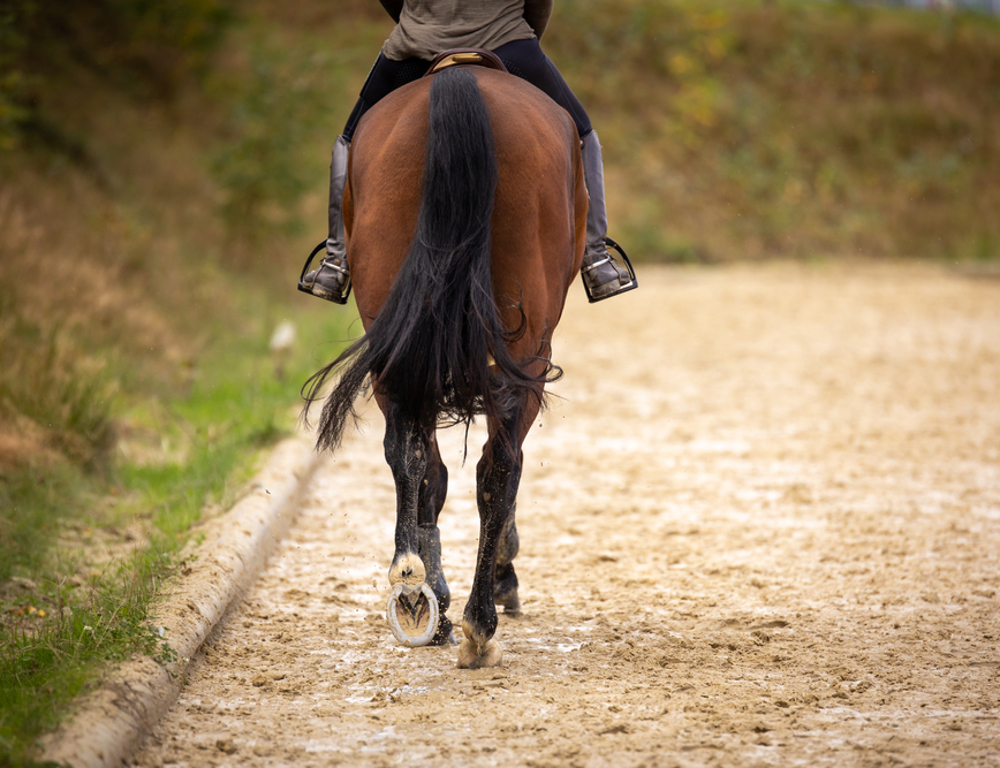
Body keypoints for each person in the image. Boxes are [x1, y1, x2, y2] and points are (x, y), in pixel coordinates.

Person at [301, 0, 636, 304]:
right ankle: (596, 257)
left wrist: (420, 20)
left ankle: (335, 262)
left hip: (414, 46)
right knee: (583, 133)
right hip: (508, 44)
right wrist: (524, 32)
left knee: (349, 139)